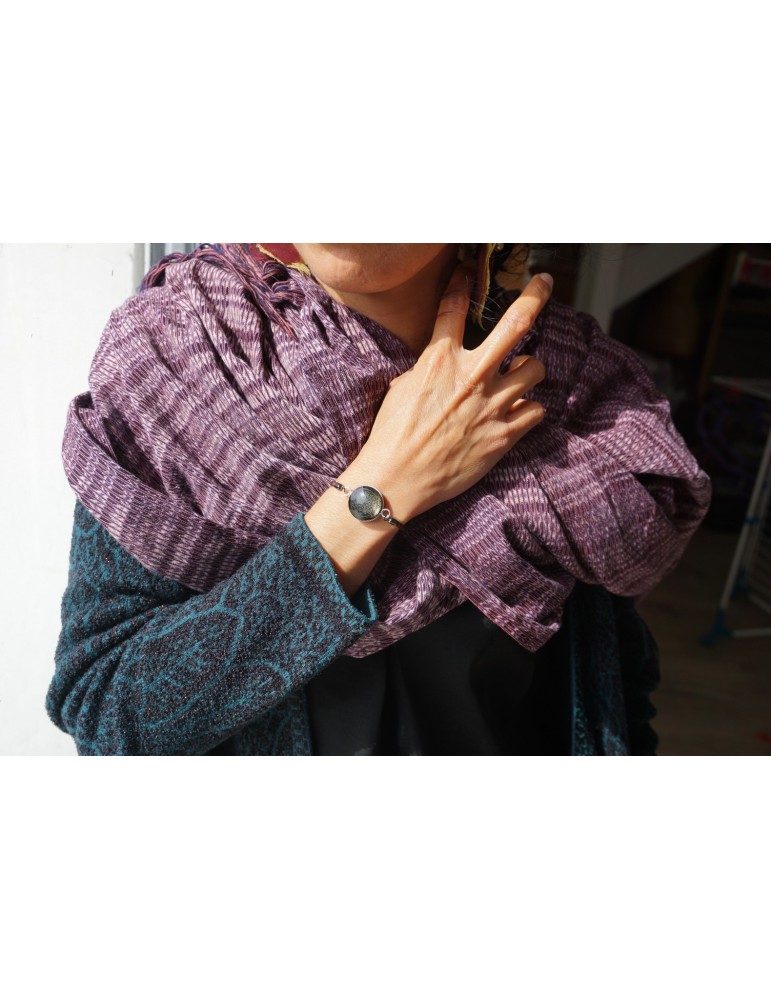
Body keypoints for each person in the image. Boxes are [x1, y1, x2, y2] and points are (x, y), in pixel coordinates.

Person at [47, 243, 711, 755]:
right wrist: (386, 483)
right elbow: (108, 709)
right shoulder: (179, 361)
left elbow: (615, 685)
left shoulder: (574, 393)